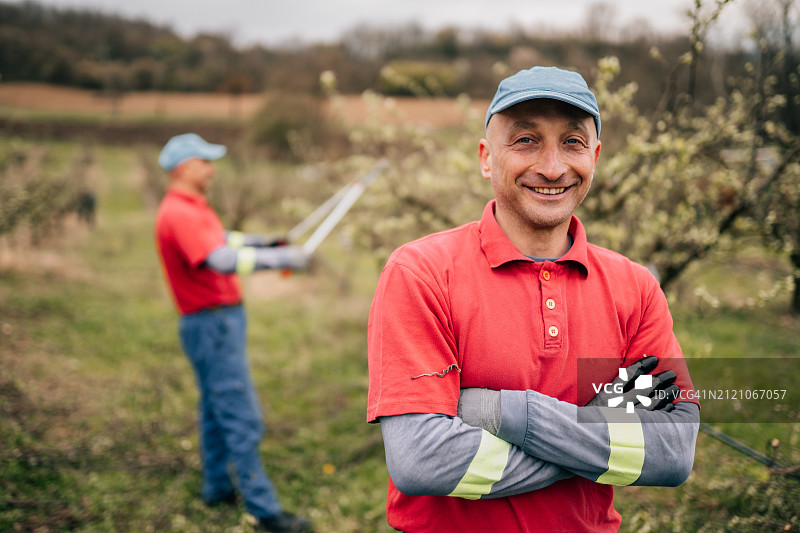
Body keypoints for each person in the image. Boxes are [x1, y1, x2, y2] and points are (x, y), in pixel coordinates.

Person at [366, 66, 701, 532]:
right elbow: (421, 460)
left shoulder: (636, 287)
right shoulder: (421, 273)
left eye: (572, 142)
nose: (551, 167)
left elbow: (672, 451)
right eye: (526, 140)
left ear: (595, 157)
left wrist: (497, 411)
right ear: (486, 158)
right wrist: (597, 430)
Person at [154, 133, 313, 533]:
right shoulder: (179, 213)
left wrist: (265, 242)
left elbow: (224, 240)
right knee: (241, 415)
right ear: (184, 168)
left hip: (216, 321)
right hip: (212, 325)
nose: (212, 168)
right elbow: (222, 259)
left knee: (214, 406)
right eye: (205, 161)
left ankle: (217, 488)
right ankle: (265, 511)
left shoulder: (193, 207)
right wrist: (282, 258)